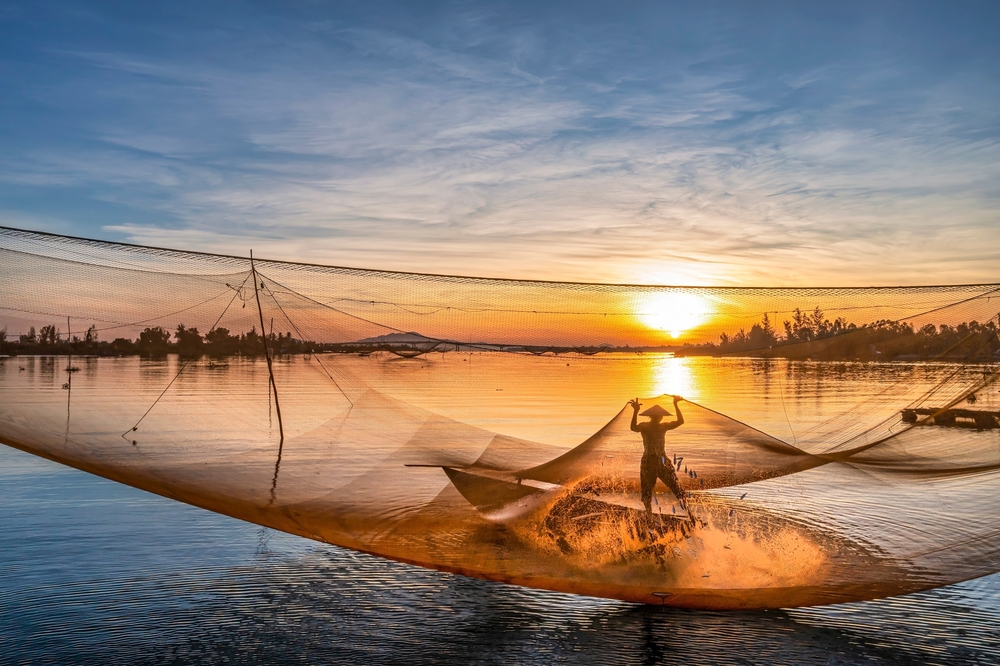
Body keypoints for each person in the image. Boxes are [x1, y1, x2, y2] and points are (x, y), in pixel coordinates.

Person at [629, 395, 685, 515]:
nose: (660, 418)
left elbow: (633, 427)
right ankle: (649, 516)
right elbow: (633, 427)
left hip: (654, 461)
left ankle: (649, 516)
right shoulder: (656, 426)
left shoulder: (651, 426)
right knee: (652, 491)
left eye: (660, 416)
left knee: (673, 490)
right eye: (659, 416)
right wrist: (675, 404)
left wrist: (635, 411)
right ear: (655, 417)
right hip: (657, 461)